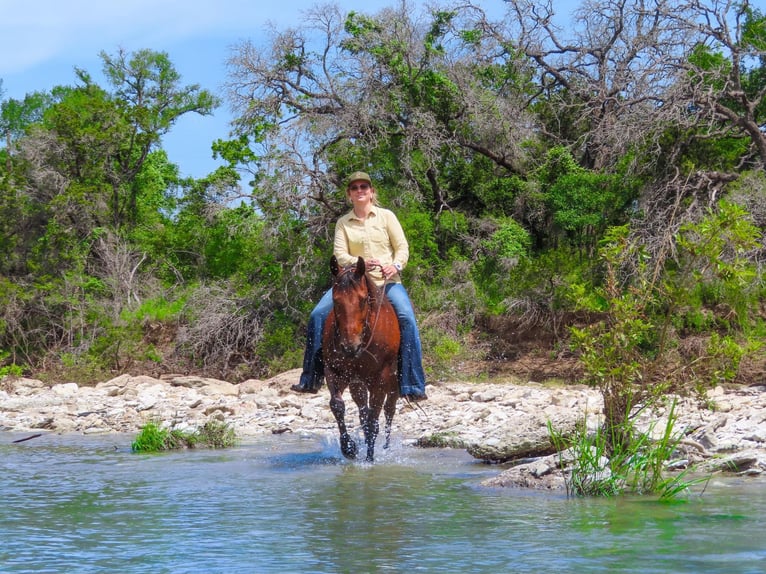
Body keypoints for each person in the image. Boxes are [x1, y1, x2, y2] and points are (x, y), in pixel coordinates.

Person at [290, 171, 428, 401]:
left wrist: (395, 265)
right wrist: (359, 263)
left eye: (364, 186)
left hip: (387, 282)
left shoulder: (386, 217)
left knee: (406, 317)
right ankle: (310, 379)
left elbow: (402, 247)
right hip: (353, 284)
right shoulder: (343, 223)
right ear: (349, 194)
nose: (360, 190)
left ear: (372, 192)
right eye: (355, 188)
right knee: (317, 315)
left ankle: (412, 383)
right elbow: (340, 255)